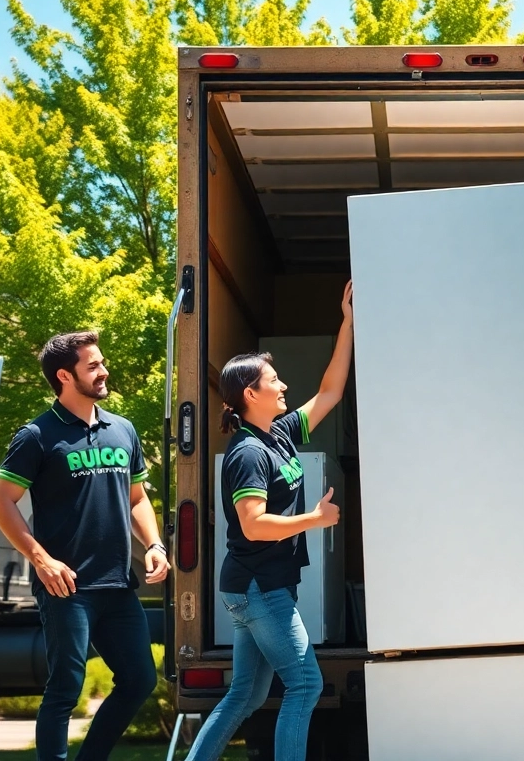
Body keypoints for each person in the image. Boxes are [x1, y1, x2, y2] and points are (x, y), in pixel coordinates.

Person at [187, 281, 354, 761]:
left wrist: (347, 324)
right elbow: (255, 524)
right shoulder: (247, 454)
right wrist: (315, 518)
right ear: (249, 393)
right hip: (259, 587)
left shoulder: (278, 432)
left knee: (247, 695)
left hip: (259, 585)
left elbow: (329, 391)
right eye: (273, 380)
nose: (282, 385)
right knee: (304, 684)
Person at [0, 331, 169, 761]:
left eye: (101, 362)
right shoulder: (37, 434)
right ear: (64, 376)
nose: (104, 371)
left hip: (117, 585)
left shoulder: (122, 430)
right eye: (93, 366)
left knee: (139, 679)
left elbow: (138, 498)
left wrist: (155, 543)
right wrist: (42, 560)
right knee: (66, 689)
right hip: (66, 587)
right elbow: (2, 504)